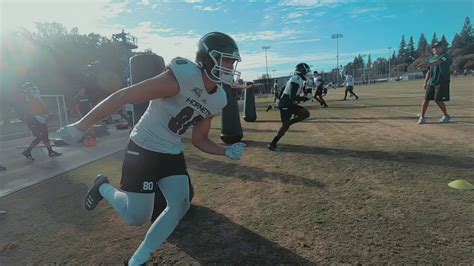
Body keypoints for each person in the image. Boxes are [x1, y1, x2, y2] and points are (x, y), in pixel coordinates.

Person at [58, 32, 245, 265]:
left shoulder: (219, 98)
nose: (230, 66)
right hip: (144, 148)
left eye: (232, 62)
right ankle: (103, 187)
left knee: (180, 204)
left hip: (171, 151)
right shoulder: (181, 76)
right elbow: (125, 95)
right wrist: (81, 125)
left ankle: (139, 259)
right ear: (208, 58)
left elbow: (200, 139)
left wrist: (225, 151)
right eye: (226, 60)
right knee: (136, 217)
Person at [268, 63, 312, 151]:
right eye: (306, 71)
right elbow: (292, 97)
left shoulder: (295, 78)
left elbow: (284, 89)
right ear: (302, 71)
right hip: (286, 104)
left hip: (288, 103)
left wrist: (278, 100)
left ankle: (273, 143)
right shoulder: (296, 79)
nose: (307, 74)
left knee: (305, 114)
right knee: (285, 126)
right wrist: (305, 98)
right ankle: (272, 144)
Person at [21, 82, 62, 160]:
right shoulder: (27, 100)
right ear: (28, 91)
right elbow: (28, 112)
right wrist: (38, 117)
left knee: (45, 136)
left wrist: (48, 114)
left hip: (40, 119)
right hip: (33, 121)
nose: (36, 90)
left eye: (35, 89)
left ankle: (50, 151)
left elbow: (42, 108)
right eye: (33, 89)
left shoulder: (37, 98)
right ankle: (27, 151)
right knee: (39, 137)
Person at [417, 42, 453, 124]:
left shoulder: (445, 56)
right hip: (431, 82)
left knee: (438, 100)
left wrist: (426, 64)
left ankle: (446, 116)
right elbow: (429, 72)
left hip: (441, 81)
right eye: (434, 48)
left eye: (437, 47)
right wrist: (425, 82)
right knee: (426, 99)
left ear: (442, 48)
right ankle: (422, 117)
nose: (435, 49)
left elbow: (438, 62)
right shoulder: (431, 58)